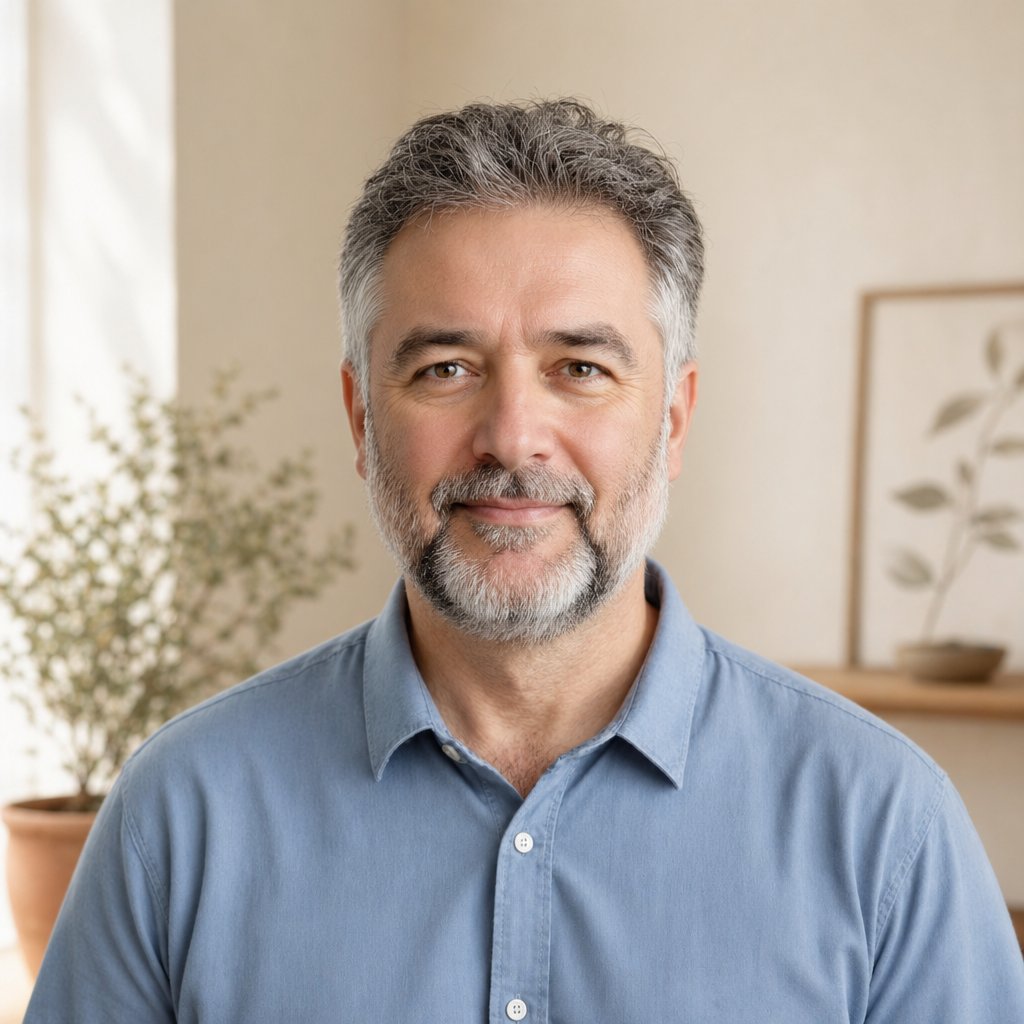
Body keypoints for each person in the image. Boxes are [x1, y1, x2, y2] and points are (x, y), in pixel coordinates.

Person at [27, 99, 1023, 1023]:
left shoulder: (885, 828)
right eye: (445, 369)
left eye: (580, 368)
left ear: (673, 419)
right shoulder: (180, 814)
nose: (511, 436)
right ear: (361, 418)